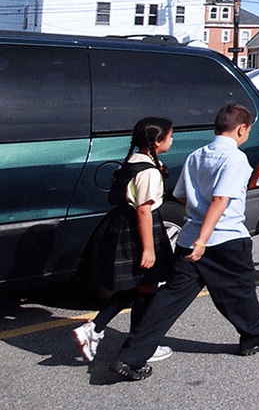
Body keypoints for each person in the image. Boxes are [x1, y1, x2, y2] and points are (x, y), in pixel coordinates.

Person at [110, 105, 259, 382]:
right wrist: (204, 239)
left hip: (189, 238)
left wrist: (197, 231)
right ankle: (255, 336)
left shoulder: (195, 156)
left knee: (169, 299)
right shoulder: (236, 159)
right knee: (239, 291)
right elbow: (220, 199)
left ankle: (130, 357)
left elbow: (180, 196)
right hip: (222, 238)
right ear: (241, 129)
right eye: (248, 130)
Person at [73, 117, 176, 366]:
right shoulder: (149, 171)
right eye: (170, 136)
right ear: (158, 141)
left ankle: (120, 336)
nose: (172, 141)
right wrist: (149, 249)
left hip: (121, 227)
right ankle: (126, 339)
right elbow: (144, 211)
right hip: (139, 231)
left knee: (143, 286)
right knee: (144, 284)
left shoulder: (133, 162)